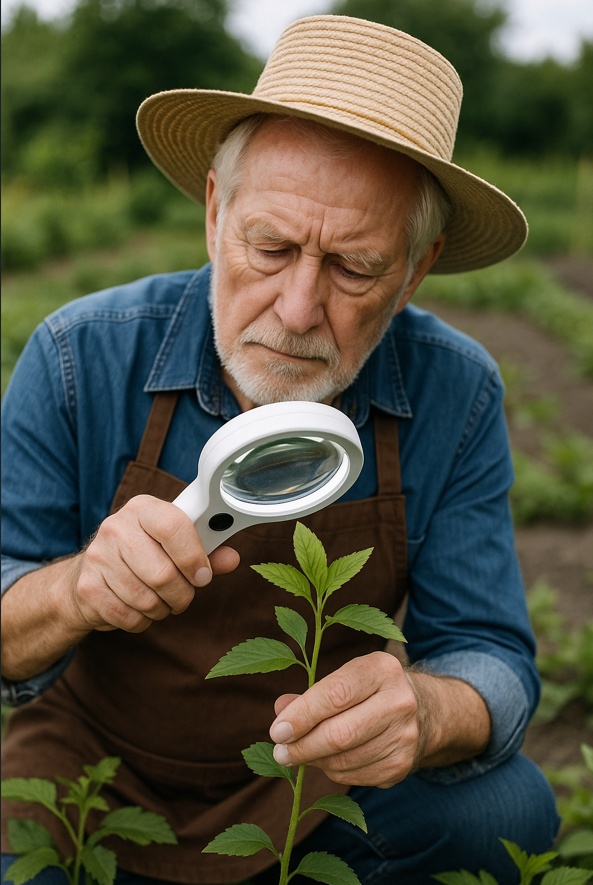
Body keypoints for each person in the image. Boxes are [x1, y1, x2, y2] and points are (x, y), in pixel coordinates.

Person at [1, 14, 559, 885]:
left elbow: (488, 650)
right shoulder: (80, 355)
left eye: (353, 267)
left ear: (417, 268)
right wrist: (76, 589)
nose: (297, 308)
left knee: (505, 810)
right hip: (90, 771)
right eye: (270, 246)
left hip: (307, 787)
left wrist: (426, 706)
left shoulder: (457, 390)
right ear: (216, 212)